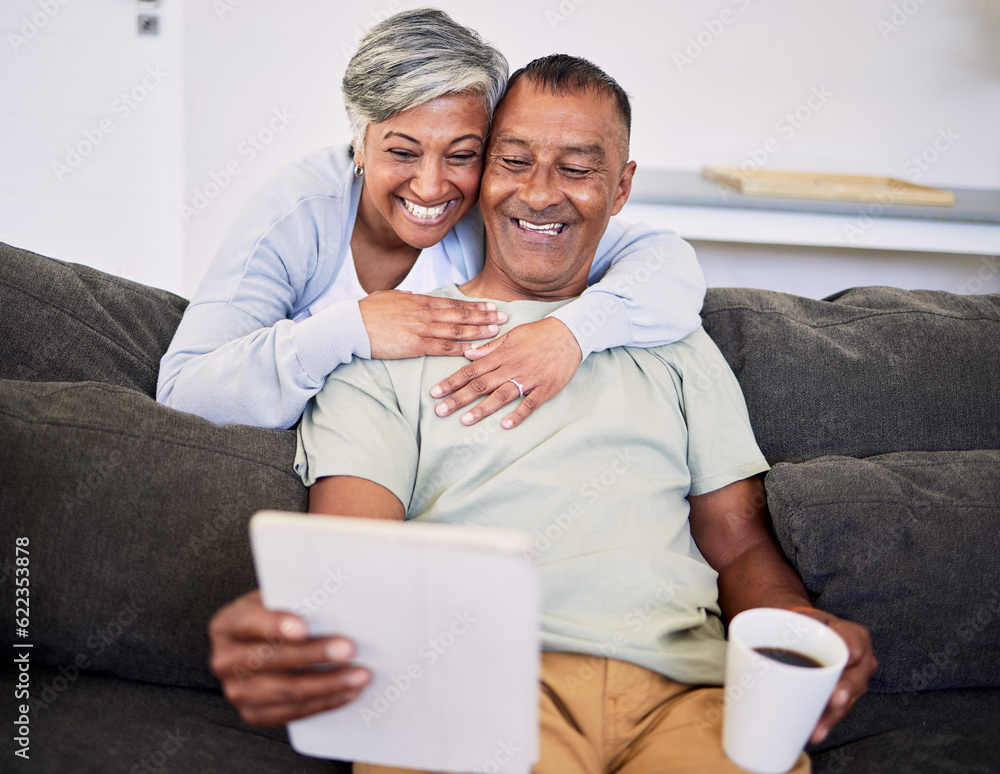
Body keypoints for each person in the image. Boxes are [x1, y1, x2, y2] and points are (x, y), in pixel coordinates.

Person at [210, 55, 877, 773]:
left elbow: (740, 543)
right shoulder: (390, 343)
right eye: (514, 160)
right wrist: (295, 623)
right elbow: (353, 552)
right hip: (474, 688)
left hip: (693, 695)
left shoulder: (672, 337)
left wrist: (795, 623)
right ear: (482, 174)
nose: (539, 194)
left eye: (577, 168)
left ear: (621, 188)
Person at [157, 8, 706, 430]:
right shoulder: (300, 212)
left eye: (463, 154)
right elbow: (184, 392)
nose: (431, 185)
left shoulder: (497, 215)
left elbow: (667, 263)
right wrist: (354, 327)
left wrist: (570, 335)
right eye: (402, 152)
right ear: (359, 142)